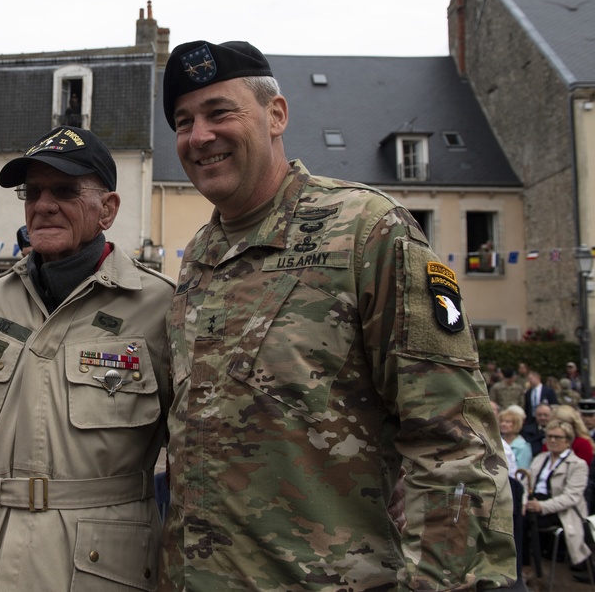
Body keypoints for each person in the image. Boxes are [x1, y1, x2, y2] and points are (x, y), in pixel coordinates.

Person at [159, 39, 516, 590]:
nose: (199, 136)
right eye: (183, 121)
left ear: (276, 115)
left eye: (219, 112)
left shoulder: (368, 230)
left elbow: (454, 442)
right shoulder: (199, 259)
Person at [0, 126, 174, 590]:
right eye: (33, 191)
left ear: (107, 209)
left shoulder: (159, 306)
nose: (43, 204)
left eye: (65, 190)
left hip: (100, 566)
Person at [525, 419, 592, 568]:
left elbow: (571, 497)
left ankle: (531, 568)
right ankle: (522, 566)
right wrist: (524, 502)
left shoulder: (577, 465)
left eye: (557, 437)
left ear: (568, 441)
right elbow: (525, 483)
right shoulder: (540, 458)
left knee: (525, 521)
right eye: (549, 436)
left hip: (561, 511)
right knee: (516, 516)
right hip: (533, 502)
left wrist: (541, 506)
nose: (552, 440)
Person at [500, 406, 533, 471]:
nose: (503, 424)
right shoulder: (496, 441)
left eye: (507, 422)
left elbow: (521, 470)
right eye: (502, 421)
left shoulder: (523, 447)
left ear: (516, 424)